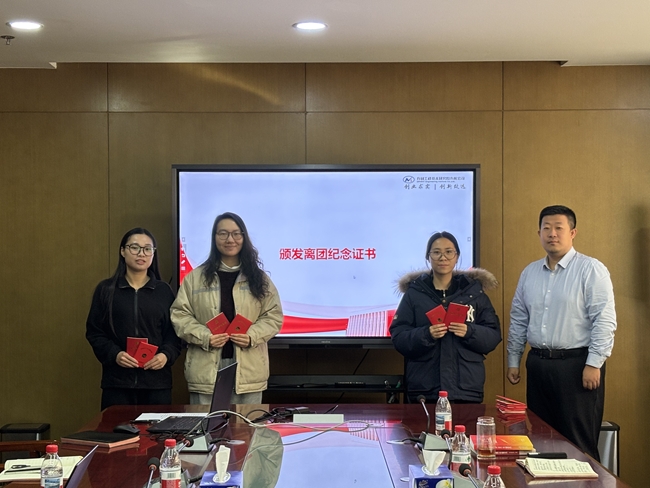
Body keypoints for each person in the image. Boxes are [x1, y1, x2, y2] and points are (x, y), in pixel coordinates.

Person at [506, 205, 616, 460]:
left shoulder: (591, 269)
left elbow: (604, 319)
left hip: (577, 366)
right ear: (539, 233)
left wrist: (594, 363)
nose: (552, 233)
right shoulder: (530, 272)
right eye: (546, 228)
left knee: (578, 443)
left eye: (559, 228)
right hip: (538, 364)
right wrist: (514, 360)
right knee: (540, 439)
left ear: (572, 232)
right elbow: (519, 318)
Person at [171, 212, 283, 405]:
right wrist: (205, 336)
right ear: (214, 237)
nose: (230, 239)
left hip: (249, 370)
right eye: (223, 233)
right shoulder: (195, 278)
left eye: (236, 233)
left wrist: (252, 336)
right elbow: (180, 315)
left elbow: (273, 316)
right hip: (205, 369)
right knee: (206, 425)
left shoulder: (259, 278)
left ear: (243, 237)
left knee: (247, 425)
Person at [390, 231, 502, 403]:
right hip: (425, 390)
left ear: (457, 256)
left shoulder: (474, 293)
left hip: (465, 389)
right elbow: (399, 336)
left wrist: (469, 331)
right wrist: (427, 334)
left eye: (449, 252)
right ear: (428, 257)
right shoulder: (414, 294)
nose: (443, 258)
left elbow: (493, 335)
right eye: (436, 252)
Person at [86, 228, 181, 410]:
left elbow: (175, 333)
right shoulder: (106, 290)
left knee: (156, 429)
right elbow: (95, 332)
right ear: (123, 251)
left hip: (157, 383)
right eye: (135, 247)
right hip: (117, 383)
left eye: (147, 249)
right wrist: (115, 354)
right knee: (116, 428)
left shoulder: (163, 291)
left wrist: (165, 355)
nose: (141, 254)